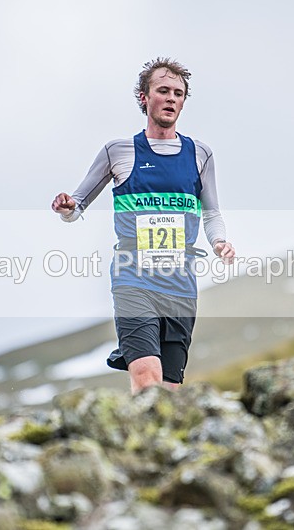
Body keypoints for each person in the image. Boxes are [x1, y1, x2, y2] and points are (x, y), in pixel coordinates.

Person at [51, 57, 236, 394]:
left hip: (180, 285)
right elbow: (77, 205)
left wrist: (219, 242)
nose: (171, 98)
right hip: (133, 279)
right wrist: (67, 208)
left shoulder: (200, 154)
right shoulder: (118, 151)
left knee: (169, 390)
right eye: (163, 91)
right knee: (147, 376)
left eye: (178, 93)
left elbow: (212, 214)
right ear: (144, 97)